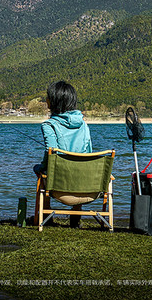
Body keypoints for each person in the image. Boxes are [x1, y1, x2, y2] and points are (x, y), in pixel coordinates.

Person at [33, 81, 92, 227]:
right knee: (79, 169)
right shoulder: (83, 124)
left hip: (60, 187)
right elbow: (88, 152)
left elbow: (50, 153)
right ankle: (75, 220)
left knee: (40, 170)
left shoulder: (48, 125)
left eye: (47, 97)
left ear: (53, 101)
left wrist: (40, 167)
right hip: (86, 186)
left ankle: (46, 215)